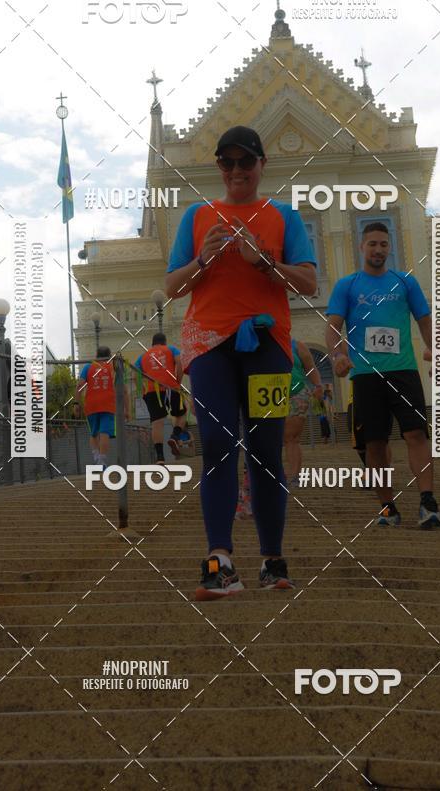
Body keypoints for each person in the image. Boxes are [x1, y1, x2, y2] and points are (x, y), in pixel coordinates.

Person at [164, 125, 316, 600]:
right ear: (218, 168)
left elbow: (308, 282)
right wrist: (203, 262)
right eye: (226, 163)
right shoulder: (196, 217)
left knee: (267, 451)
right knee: (216, 444)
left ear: (261, 165)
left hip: (267, 343)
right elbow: (172, 286)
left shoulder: (284, 217)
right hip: (208, 344)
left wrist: (262, 262)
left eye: (244, 162)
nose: (236, 171)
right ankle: (221, 560)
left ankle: (273, 558)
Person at [325, 221, 440, 529]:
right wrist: (338, 355)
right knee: (374, 443)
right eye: (372, 244)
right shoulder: (347, 286)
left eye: (384, 244)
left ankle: (428, 502)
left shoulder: (405, 282)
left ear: (389, 248)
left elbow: (425, 320)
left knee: (416, 434)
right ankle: (387, 506)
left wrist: (435, 351)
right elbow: (333, 325)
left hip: (403, 370)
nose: (378, 249)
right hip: (365, 375)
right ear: (362, 248)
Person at [134, 332, 187, 464]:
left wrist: (142, 391)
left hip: (152, 391)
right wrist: (178, 382)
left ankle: (160, 458)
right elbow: (179, 363)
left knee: (157, 423)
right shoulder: (171, 349)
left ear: (152, 344)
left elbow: (136, 374)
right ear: (164, 342)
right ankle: (175, 435)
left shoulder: (143, 356)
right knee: (181, 414)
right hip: (171, 388)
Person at [74, 346, 128, 474]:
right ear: (109, 356)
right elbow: (124, 391)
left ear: (96, 355)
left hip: (91, 405)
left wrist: (76, 403)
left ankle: (96, 457)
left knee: (93, 433)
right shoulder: (113, 368)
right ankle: (102, 461)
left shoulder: (88, 367)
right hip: (107, 405)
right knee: (104, 433)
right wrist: (127, 410)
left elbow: (79, 386)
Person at [284, 339, 323, 487]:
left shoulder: (297, 345)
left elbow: (310, 367)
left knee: (291, 437)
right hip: (268, 395)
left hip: (296, 393)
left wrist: (318, 385)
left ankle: (294, 475)